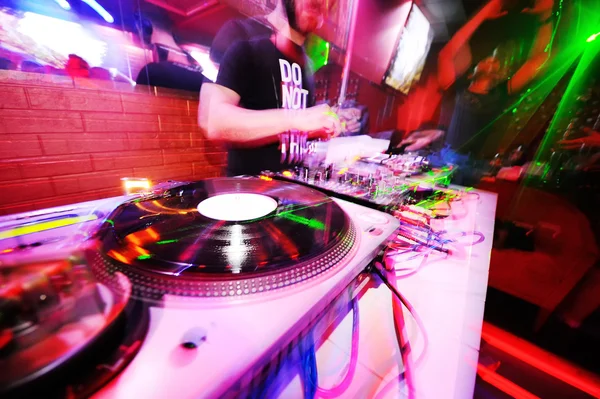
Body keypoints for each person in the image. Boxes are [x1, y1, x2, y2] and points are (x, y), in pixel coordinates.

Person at [399, 0, 555, 165]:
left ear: (501, 73)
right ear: (471, 73)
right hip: (437, 161)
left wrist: (546, 15)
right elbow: (446, 55)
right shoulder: (456, 87)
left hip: (469, 169)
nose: (490, 60)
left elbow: (539, 59)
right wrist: (484, 13)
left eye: (496, 61)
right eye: (486, 58)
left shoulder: (501, 93)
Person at [198, 0, 341, 176]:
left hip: (294, 192)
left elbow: (290, 130)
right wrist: (296, 118)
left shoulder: (307, 63)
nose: (322, 3)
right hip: (249, 194)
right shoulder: (239, 33)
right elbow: (212, 122)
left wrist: (320, 128)